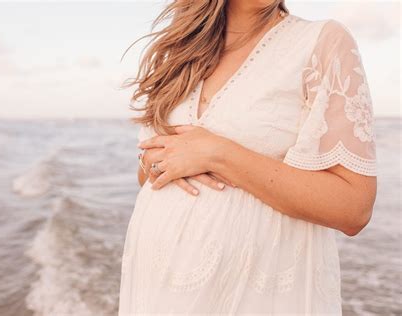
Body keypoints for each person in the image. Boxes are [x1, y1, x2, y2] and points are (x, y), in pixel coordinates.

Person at [119, 0, 377, 314]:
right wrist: (158, 160)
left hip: (261, 292)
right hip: (157, 285)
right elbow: (148, 173)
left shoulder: (322, 42)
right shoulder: (176, 53)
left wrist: (218, 154)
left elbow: (353, 208)